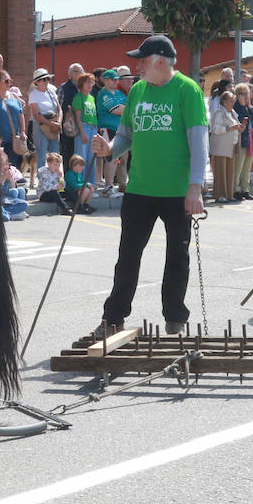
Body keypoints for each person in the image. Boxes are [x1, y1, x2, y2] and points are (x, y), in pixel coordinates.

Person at [90, 34, 207, 337]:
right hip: (140, 188)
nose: (137, 67)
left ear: (159, 61)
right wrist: (109, 149)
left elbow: (198, 142)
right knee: (127, 256)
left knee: (177, 257)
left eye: (141, 61)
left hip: (177, 191)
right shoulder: (139, 91)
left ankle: (175, 318)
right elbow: (126, 136)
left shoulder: (187, 90)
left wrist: (196, 188)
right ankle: (113, 318)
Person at [95, 69, 126, 196]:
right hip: (107, 129)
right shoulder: (103, 93)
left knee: (115, 158)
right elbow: (115, 109)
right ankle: (108, 187)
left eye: (116, 79)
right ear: (105, 80)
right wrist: (128, 108)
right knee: (111, 158)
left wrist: (126, 108)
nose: (115, 82)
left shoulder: (119, 93)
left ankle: (109, 186)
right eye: (113, 79)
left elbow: (131, 104)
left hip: (118, 128)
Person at [207, 89, 241, 203]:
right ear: (224, 102)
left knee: (229, 171)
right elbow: (215, 129)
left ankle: (228, 194)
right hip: (221, 146)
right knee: (221, 172)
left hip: (231, 145)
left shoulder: (232, 112)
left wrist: (240, 127)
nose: (232, 103)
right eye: (230, 101)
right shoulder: (219, 112)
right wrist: (229, 128)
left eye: (233, 100)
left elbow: (234, 126)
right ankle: (220, 195)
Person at [28, 68, 62, 164]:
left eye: (47, 79)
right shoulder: (33, 94)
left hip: (54, 125)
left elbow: (59, 109)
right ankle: (42, 178)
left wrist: (58, 122)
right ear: (37, 82)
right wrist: (52, 124)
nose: (46, 81)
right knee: (41, 155)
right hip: (40, 126)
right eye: (44, 79)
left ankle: (55, 177)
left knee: (55, 154)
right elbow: (36, 115)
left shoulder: (51, 92)